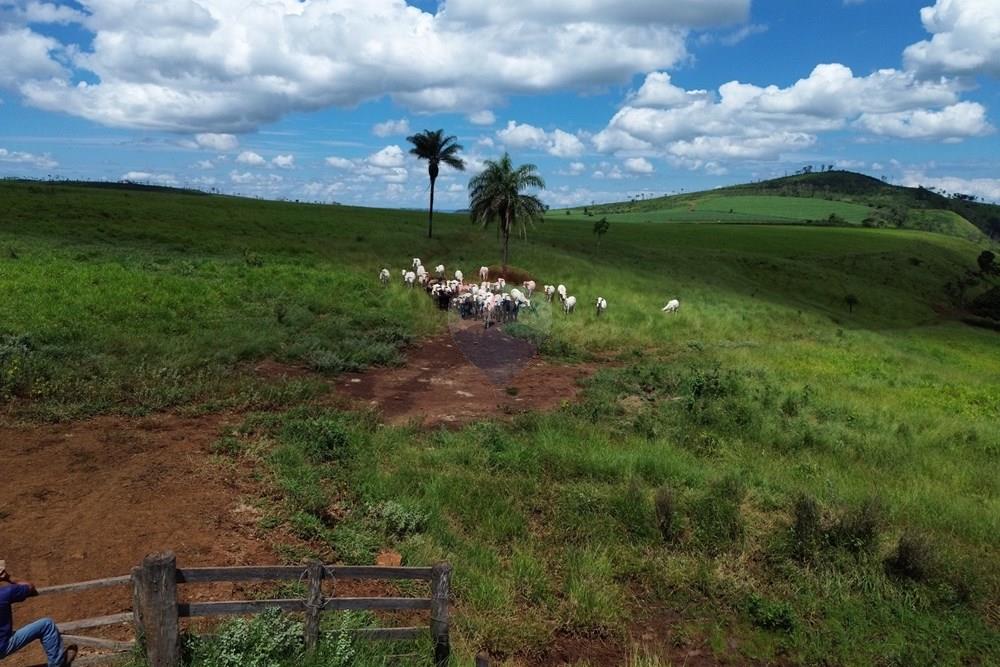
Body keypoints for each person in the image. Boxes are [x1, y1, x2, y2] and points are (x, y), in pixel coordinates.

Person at [0, 562, 77, 666]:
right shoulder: (5, 593)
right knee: (47, 625)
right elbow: (30, 587)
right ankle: (57, 664)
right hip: (3, 645)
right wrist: (8, 577)